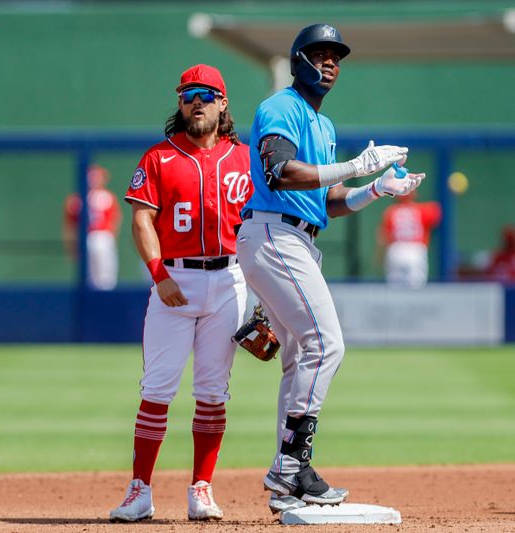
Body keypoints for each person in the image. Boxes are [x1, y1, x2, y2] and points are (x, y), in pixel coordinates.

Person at [235, 24, 425, 514]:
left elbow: (325, 200)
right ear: (298, 60)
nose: (330, 62)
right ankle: (291, 466)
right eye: (319, 53)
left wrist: (376, 189)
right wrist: (357, 166)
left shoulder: (324, 125)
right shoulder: (281, 107)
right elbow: (282, 171)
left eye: (336, 56)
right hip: (274, 231)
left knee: (300, 357)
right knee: (327, 344)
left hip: (296, 234)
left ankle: (287, 476)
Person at [109, 64, 252, 522]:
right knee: (157, 388)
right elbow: (140, 220)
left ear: (222, 103)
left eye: (207, 94)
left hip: (230, 279)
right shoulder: (159, 157)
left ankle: (201, 489)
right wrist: (158, 274)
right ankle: (140, 490)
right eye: (189, 93)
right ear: (179, 102)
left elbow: (261, 227)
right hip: (175, 279)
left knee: (213, 391)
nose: (197, 101)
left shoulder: (245, 159)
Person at [62, 164, 122, 290]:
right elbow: (115, 221)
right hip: (103, 237)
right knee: (106, 280)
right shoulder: (107, 196)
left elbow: (70, 227)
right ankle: (104, 305)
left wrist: (72, 246)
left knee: (90, 280)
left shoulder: (75, 198)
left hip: (87, 238)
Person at [377, 190, 442, 288]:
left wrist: (379, 256)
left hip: (396, 250)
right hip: (416, 250)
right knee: (416, 290)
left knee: (395, 291)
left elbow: (383, 236)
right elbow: (437, 214)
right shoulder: (422, 209)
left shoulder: (391, 211)